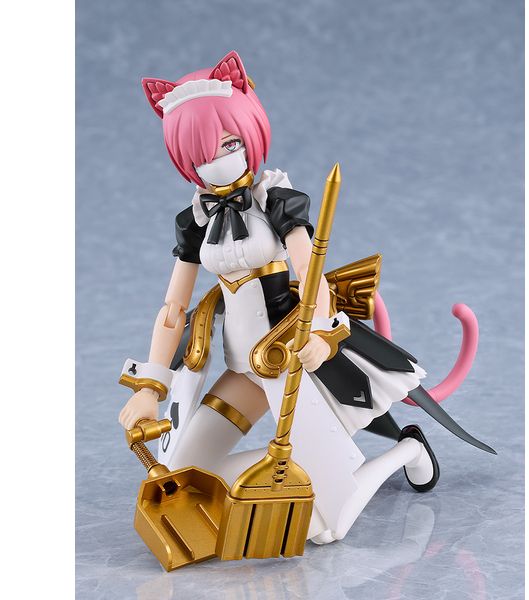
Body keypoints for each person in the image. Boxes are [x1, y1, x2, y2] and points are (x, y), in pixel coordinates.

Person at [118, 51, 494, 544]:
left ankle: (409, 450)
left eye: (229, 143)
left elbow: (308, 273)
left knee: (328, 527)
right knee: (184, 473)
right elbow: (173, 311)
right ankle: (294, 479)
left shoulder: (275, 201)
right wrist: (150, 386)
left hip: (291, 359)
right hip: (243, 369)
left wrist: (319, 333)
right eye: (201, 153)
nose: (218, 160)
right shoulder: (195, 221)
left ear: (250, 135)